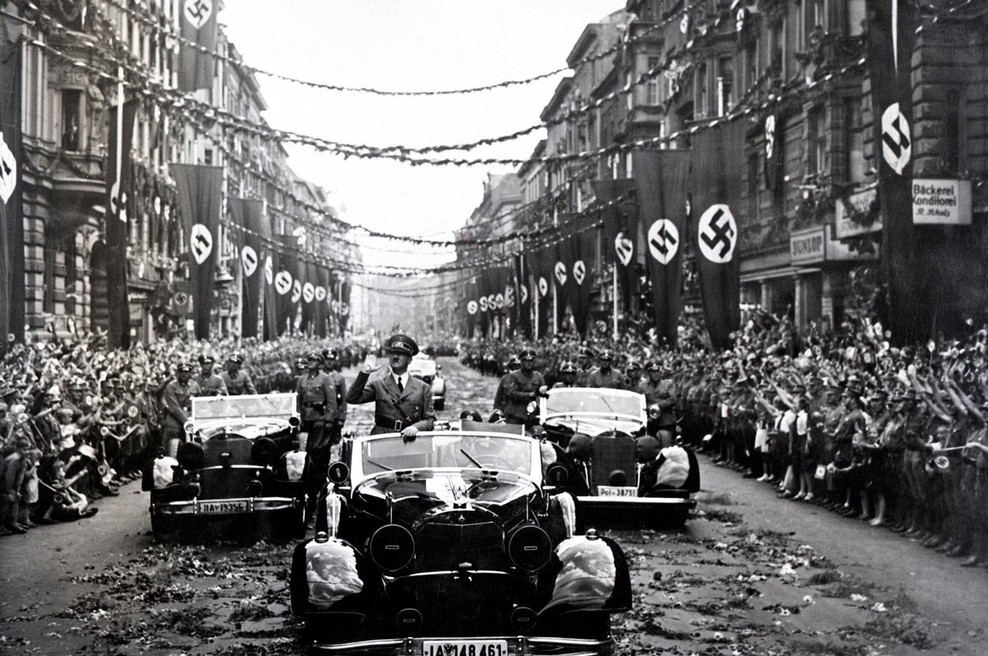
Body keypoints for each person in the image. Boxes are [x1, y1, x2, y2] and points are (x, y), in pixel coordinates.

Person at [346, 334, 435, 441]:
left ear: (409, 360)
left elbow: (430, 420)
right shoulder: (378, 384)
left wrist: (415, 427)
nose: (395, 357)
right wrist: (365, 372)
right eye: (393, 353)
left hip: (411, 443)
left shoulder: (423, 388)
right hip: (382, 441)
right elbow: (352, 398)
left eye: (401, 354)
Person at [297, 351, 347, 514]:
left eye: (315, 360)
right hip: (308, 419)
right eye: (309, 359)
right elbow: (299, 399)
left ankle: (317, 484)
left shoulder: (326, 379)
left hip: (320, 419)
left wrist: (330, 420)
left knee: (319, 451)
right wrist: (300, 417)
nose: (311, 362)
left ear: (320, 363)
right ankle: (312, 481)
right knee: (309, 451)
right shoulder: (302, 379)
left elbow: (332, 401)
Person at [160, 362, 199, 458]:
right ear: (178, 373)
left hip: (192, 416)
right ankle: (170, 459)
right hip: (175, 417)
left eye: (187, 372)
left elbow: (199, 403)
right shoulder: (171, 386)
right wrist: (187, 421)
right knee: (171, 431)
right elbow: (174, 407)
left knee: (201, 435)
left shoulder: (195, 385)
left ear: (191, 373)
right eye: (181, 372)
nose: (184, 374)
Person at [500, 348, 548, 426]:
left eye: (531, 361)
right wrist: (531, 394)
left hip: (533, 414)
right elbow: (512, 394)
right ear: (522, 362)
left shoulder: (538, 376)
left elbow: (544, 392)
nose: (529, 363)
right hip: (516, 415)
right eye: (526, 361)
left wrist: (543, 392)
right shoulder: (513, 376)